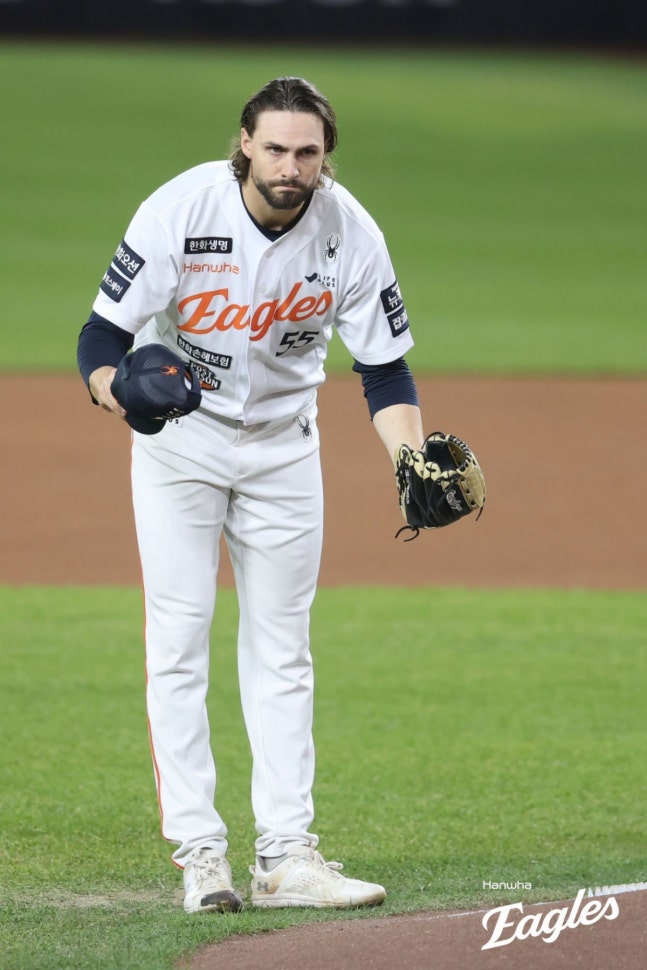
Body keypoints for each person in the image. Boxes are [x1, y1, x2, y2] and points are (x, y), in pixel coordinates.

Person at [77, 76, 425, 914]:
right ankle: (201, 854)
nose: (289, 166)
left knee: (283, 648)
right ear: (244, 144)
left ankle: (286, 855)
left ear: (325, 156)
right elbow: (101, 336)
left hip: (283, 450)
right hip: (181, 445)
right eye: (274, 148)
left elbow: (384, 369)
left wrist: (411, 461)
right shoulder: (179, 210)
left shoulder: (350, 233)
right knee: (179, 638)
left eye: (306, 152)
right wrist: (120, 392)